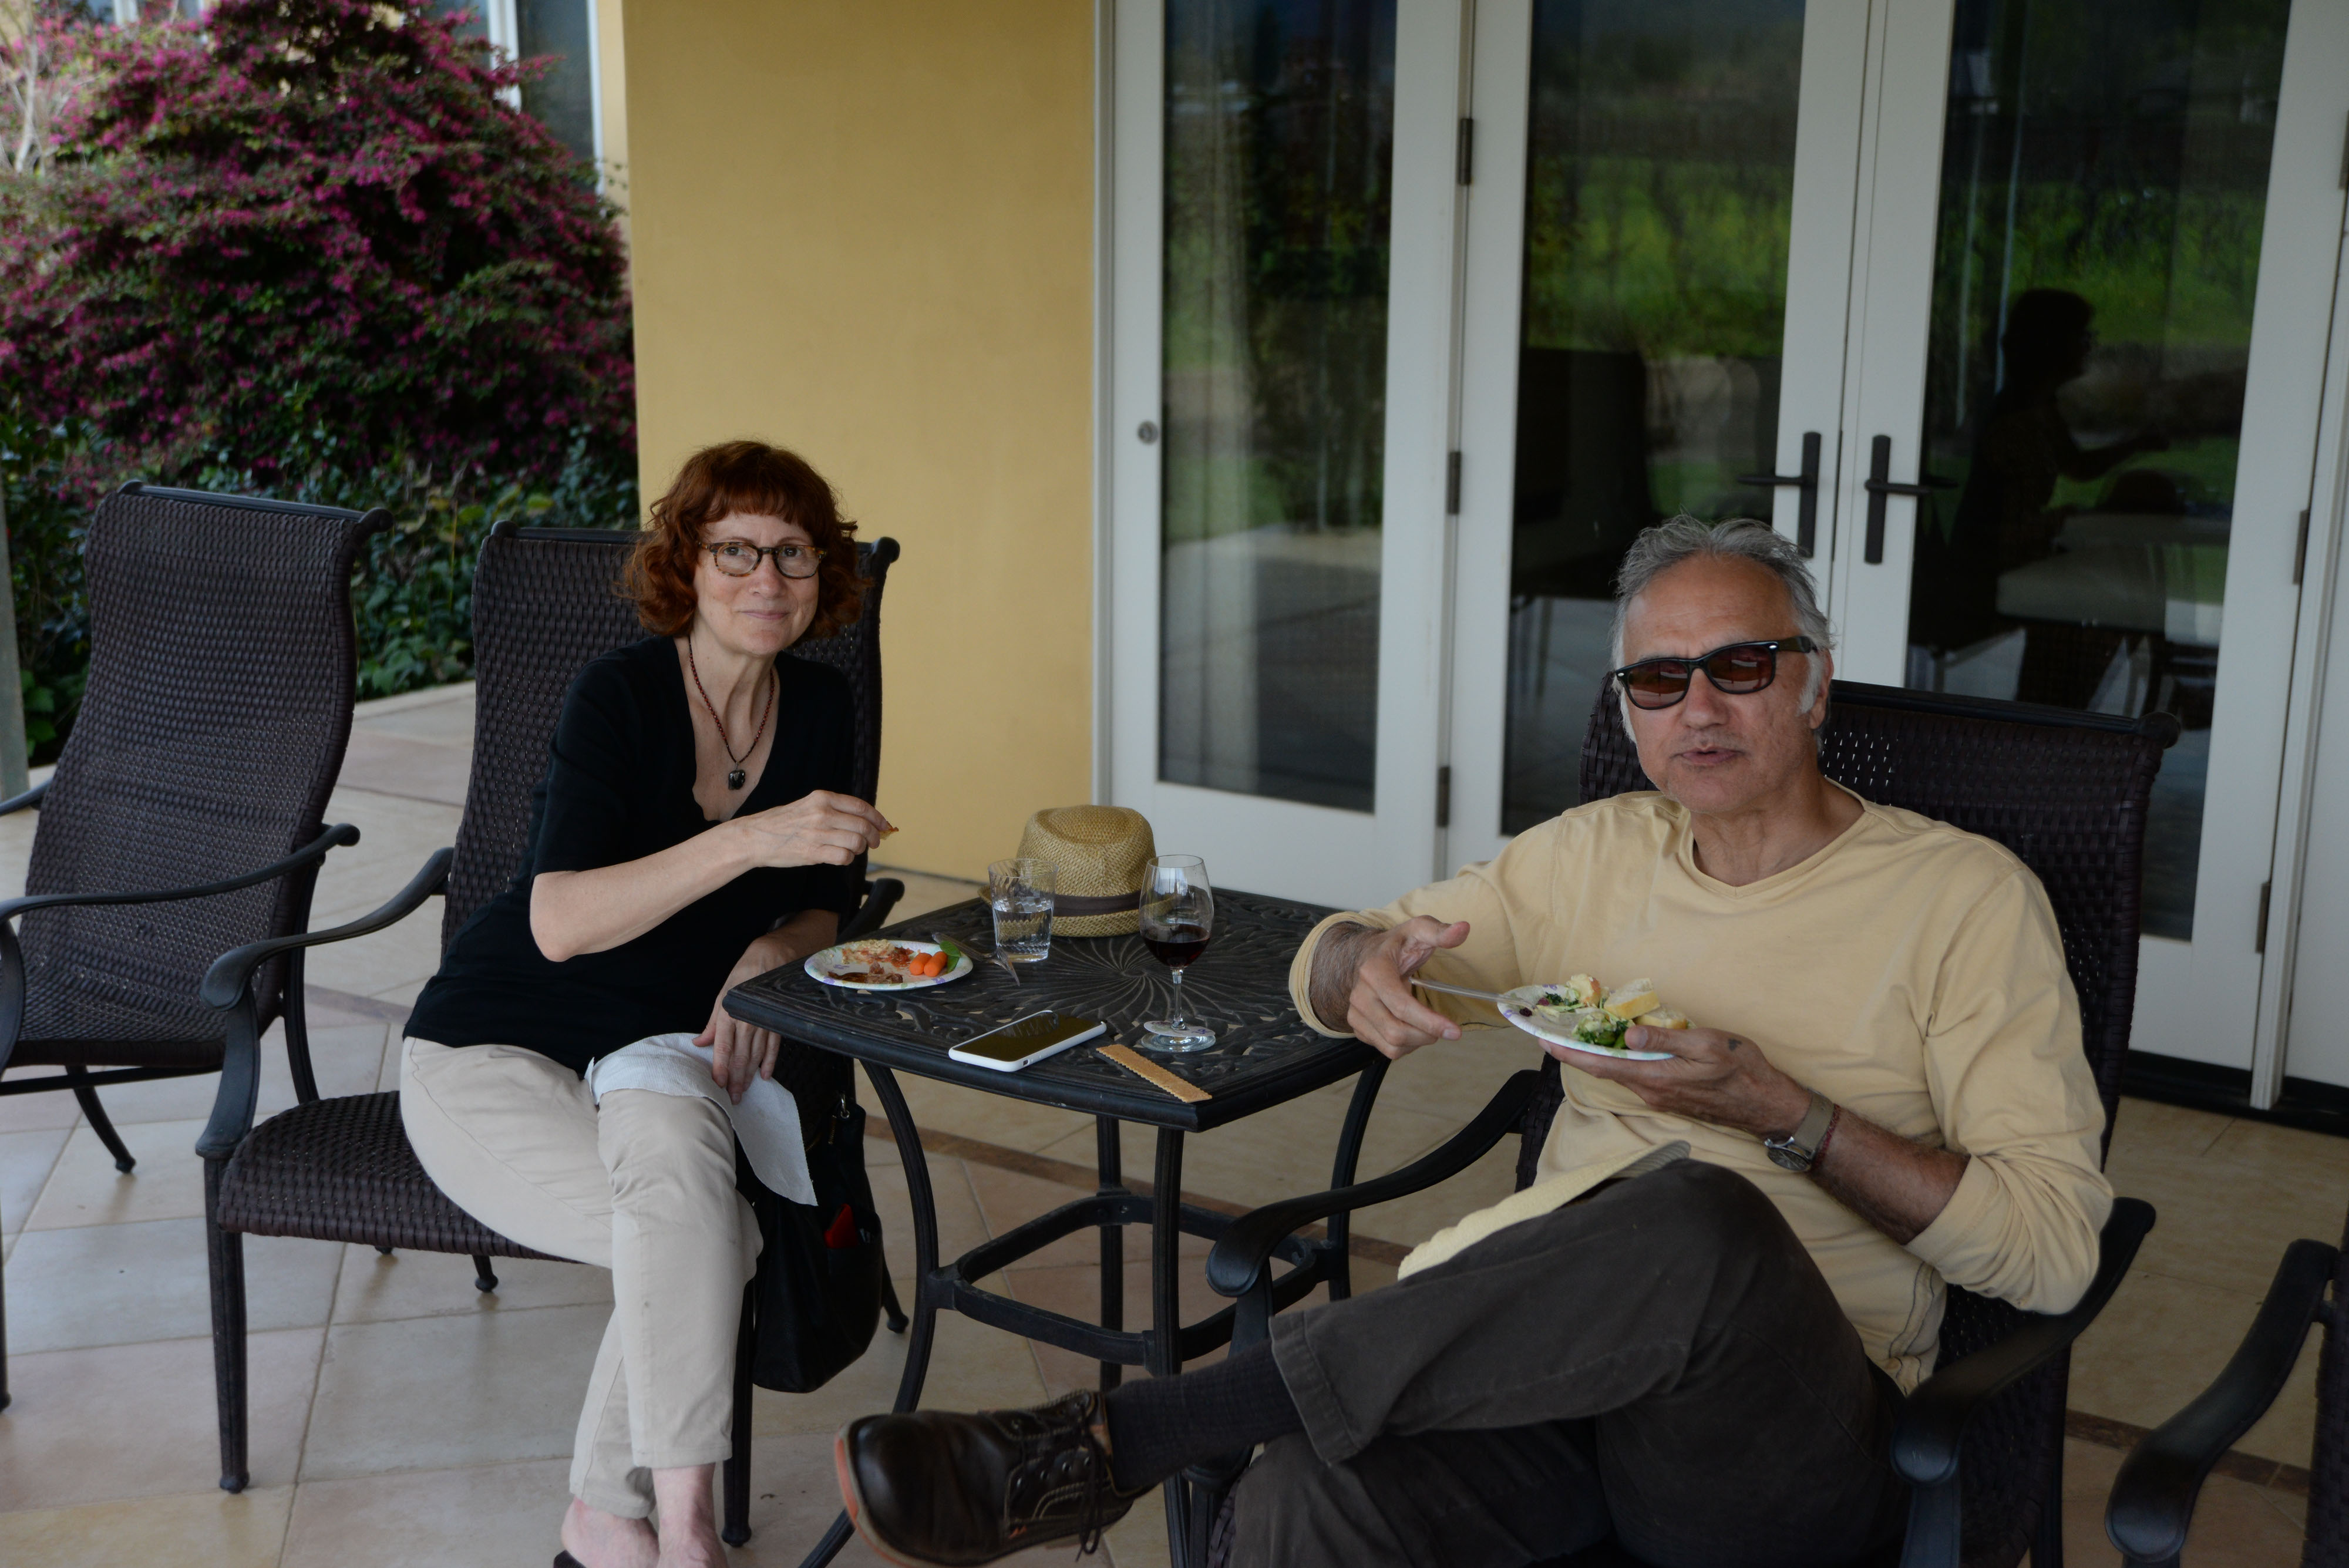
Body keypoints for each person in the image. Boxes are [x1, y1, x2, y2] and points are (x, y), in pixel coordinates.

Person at [832, 518, 2112, 1568]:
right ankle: (1132, 1452)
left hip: (1782, 1444)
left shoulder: (1963, 899)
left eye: (1740, 666)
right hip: (1559, 1392)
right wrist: (1360, 966)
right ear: (1628, 710)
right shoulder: (1594, 854)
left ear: (1815, 680)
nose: (1697, 709)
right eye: (1658, 681)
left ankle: (1128, 1436)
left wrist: (1786, 1114)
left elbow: (2053, 1253)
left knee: (1698, 1213)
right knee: (1303, 1500)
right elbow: (1336, 950)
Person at [398, 440, 894, 1568]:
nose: (767, 578)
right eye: (736, 550)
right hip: (492, 1050)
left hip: (652, 1059)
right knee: (706, 1232)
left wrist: (772, 947)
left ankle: (619, 1520)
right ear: (688, 564)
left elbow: (828, 903)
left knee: (692, 1215)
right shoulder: (618, 696)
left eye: (794, 553)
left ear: (822, 574)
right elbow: (558, 921)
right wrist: (750, 839)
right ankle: (680, 1532)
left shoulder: (823, 704)